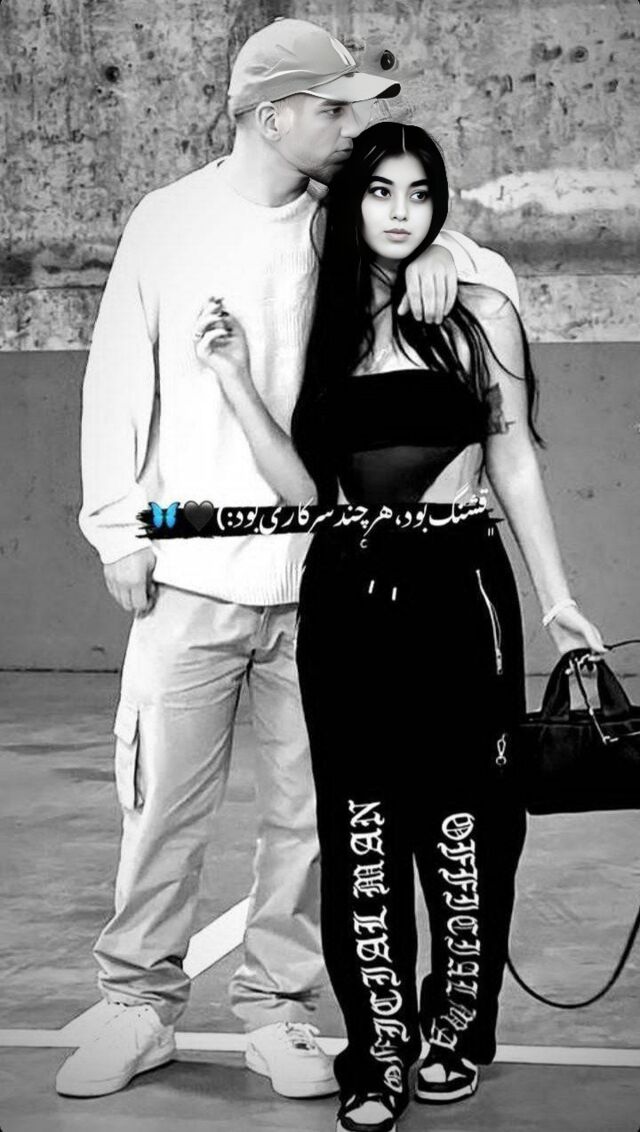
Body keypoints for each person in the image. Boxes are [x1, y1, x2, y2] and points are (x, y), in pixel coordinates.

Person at [58, 18, 526, 1102]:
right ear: (273, 117)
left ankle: (278, 1007)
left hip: (324, 578)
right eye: (331, 107)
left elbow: (454, 251)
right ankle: (137, 1004)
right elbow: (114, 378)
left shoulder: (339, 223)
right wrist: (117, 529)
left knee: (311, 820)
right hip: (191, 573)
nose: (348, 127)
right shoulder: (167, 222)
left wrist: (446, 257)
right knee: (164, 804)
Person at [190, 122, 606, 1132]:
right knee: (362, 827)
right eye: (380, 191)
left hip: (461, 586)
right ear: (352, 203)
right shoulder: (320, 323)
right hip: (347, 589)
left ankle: (453, 1028)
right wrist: (236, 381)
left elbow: (514, 460)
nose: (400, 212)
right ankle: (376, 1051)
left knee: (467, 826)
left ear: (439, 207)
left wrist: (557, 596)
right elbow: (303, 492)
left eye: (421, 194)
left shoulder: (479, 308)